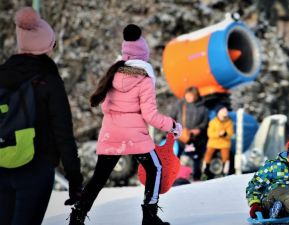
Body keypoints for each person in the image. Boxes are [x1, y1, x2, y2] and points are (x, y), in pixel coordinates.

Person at [68, 24, 182, 225]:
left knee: (99, 178)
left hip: (111, 134)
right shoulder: (144, 80)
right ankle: (150, 215)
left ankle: (77, 217)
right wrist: (173, 125)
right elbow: (150, 115)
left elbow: (105, 108)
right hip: (135, 136)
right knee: (155, 168)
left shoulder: (112, 75)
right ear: (143, 55)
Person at [0, 7, 83, 225]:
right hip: (37, 168)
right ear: (47, 44)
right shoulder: (49, 81)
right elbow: (63, 132)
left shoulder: (2, 75)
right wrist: (74, 177)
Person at [170, 86, 209, 181]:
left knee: (196, 158)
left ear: (196, 96)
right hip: (180, 137)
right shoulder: (181, 104)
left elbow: (205, 122)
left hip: (195, 139)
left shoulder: (203, 108)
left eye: (190, 96)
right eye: (187, 96)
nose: (188, 98)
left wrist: (198, 129)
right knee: (176, 157)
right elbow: (171, 117)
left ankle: (196, 178)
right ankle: (174, 178)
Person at [203, 104, 234, 179]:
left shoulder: (229, 122)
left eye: (225, 111)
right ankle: (205, 170)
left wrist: (225, 134)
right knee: (208, 155)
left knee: (226, 157)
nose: (225, 113)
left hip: (224, 143)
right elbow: (210, 133)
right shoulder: (213, 122)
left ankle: (225, 171)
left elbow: (230, 133)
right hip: (213, 143)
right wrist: (218, 134)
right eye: (223, 111)